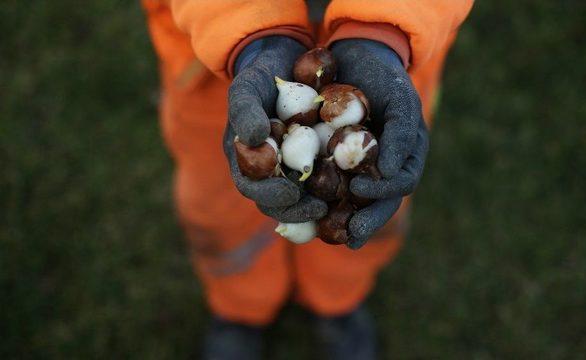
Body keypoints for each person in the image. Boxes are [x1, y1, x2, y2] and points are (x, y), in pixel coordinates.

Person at [142, 0, 473, 358]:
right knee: (221, 209)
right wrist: (253, 32)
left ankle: (338, 300)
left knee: (363, 207)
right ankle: (239, 307)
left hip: (401, 47)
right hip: (215, 52)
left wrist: (383, 31)